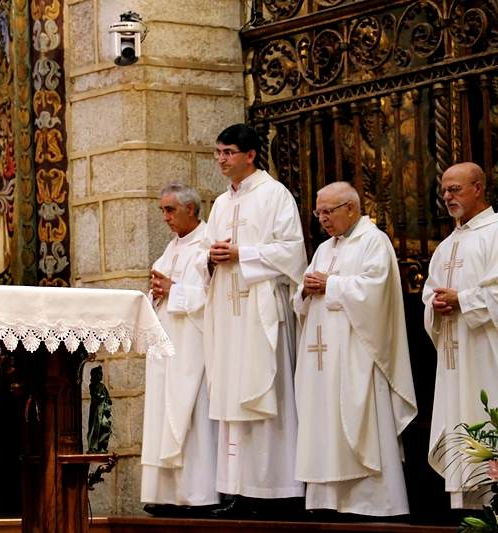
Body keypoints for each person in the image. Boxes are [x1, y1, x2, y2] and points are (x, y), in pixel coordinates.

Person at [198, 124, 307, 518]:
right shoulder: (220, 204)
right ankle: (237, 489)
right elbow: (204, 254)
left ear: (251, 155)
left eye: (228, 152)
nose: (222, 160)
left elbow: (292, 252)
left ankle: (277, 488)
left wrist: (242, 254)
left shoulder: (275, 195)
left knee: (265, 391)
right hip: (229, 313)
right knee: (231, 392)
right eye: (218, 152)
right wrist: (210, 259)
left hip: (262, 309)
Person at [293, 181, 417, 516]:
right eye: (318, 213)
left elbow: (375, 292)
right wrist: (304, 292)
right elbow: (303, 296)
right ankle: (326, 501)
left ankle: (374, 503)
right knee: (324, 420)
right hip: (322, 358)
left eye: (327, 212)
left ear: (351, 208)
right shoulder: (323, 249)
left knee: (358, 419)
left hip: (357, 355)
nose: (322, 219)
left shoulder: (373, 242)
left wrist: (329, 285)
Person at [141, 182, 219, 515]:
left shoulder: (207, 246)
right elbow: (161, 295)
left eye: (169, 209)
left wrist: (175, 290)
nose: (164, 217)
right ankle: (166, 495)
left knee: (192, 417)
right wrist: (156, 294)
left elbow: (215, 297)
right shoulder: (170, 250)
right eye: (162, 210)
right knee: (163, 414)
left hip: (193, 345)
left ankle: (197, 495)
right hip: (168, 344)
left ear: (190, 209)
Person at [423, 162, 498, 509]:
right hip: (455, 352)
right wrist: (435, 304)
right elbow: (429, 292)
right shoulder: (446, 245)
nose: (447, 197)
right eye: (444, 191)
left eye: (455, 189)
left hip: (486, 350)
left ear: (479, 188)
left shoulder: (496, 231)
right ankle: (469, 511)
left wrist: (462, 300)